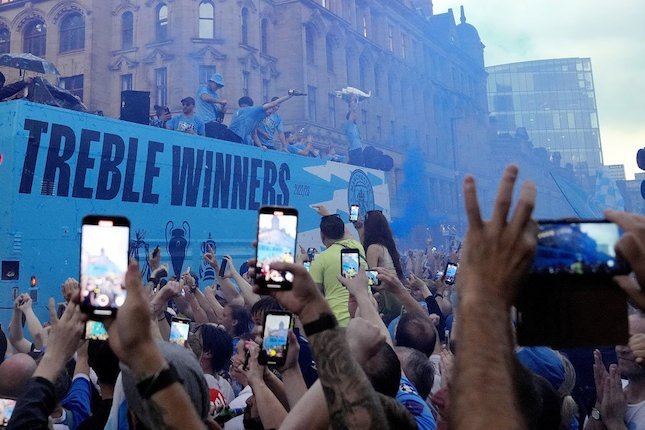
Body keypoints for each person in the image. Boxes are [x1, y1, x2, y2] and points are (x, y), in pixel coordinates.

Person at [587, 313, 645, 429]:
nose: (620, 349)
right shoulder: (614, 392)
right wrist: (600, 405)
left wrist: (614, 422)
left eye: (633, 342)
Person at [308, 212, 366, 327]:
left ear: (322, 235)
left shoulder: (320, 260)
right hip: (364, 317)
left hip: (337, 323)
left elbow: (314, 298)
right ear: (343, 231)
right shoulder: (357, 247)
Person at [226, 92, 297, 146]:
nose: (268, 115)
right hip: (232, 134)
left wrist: (260, 146)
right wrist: (288, 96)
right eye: (269, 112)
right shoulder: (256, 110)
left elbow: (254, 135)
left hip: (239, 137)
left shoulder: (257, 120)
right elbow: (274, 103)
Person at [196, 73, 228, 137]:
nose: (218, 87)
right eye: (217, 84)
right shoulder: (203, 88)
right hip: (204, 121)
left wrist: (223, 108)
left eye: (219, 86)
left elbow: (217, 111)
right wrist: (220, 101)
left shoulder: (215, 95)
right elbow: (205, 98)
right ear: (211, 82)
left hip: (213, 122)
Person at [343, 96, 364, 166]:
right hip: (354, 150)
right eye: (354, 114)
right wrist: (352, 103)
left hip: (358, 149)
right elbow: (352, 112)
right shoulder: (349, 125)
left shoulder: (355, 126)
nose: (356, 115)